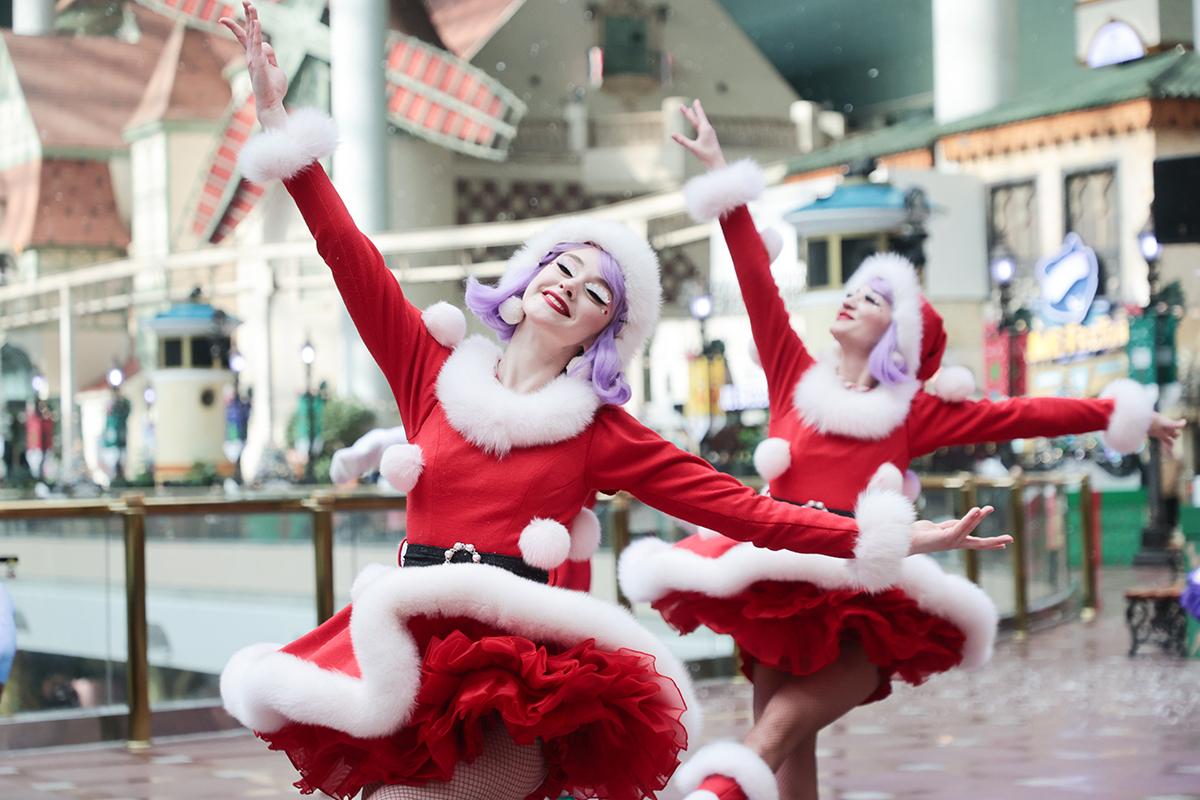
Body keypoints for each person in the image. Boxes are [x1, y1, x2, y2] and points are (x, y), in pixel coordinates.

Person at [217, 11, 996, 800]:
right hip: (404, 650)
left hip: (515, 673)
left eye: (597, 291)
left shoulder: (597, 430)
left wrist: (890, 537)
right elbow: (350, 256)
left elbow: (744, 511)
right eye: (560, 263)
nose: (569, 283)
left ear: (602, 334)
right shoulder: (430, 369)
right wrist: (278, 119)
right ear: (522, 286)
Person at [619, 100, 1186, 800]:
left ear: (902, 336)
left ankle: (717, 792)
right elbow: (759, 284)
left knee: (781, 725)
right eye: (853, 291)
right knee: (786, 734)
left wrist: (1116, 410)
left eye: (874, 299)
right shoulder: (794, 375)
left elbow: (1022, 413)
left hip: (863, 581)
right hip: (777, 571)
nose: (852, 302)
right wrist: (722, 183)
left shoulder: (912, 412)